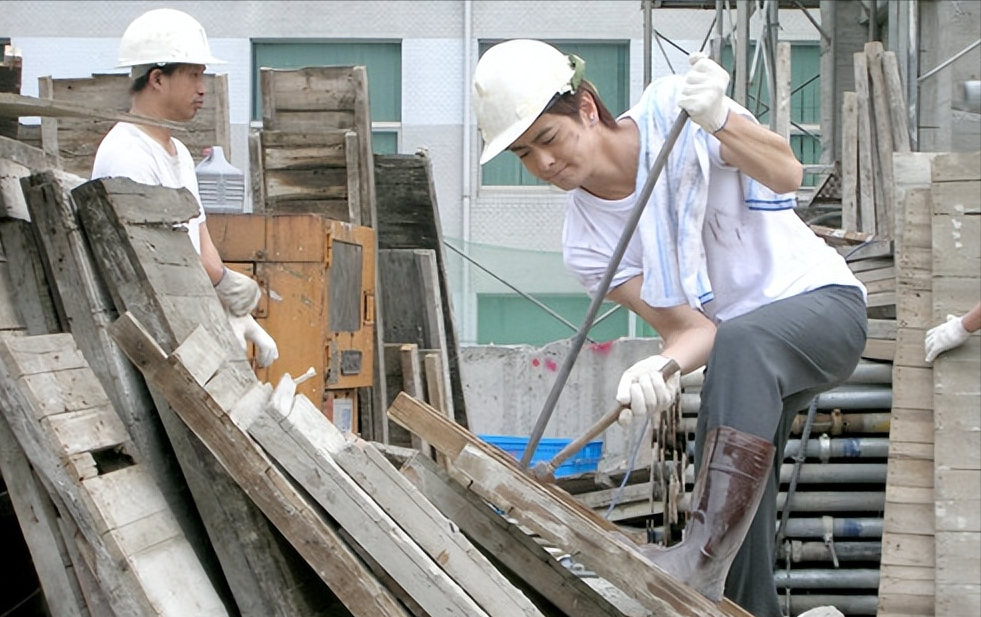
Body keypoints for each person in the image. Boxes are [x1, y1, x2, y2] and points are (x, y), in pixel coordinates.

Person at [472, 39, 868, 616]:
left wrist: (721, 118)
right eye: (526, 155)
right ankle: (744, 603)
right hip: (745, 356)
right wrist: (660, 364)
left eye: (549, 139)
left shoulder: (675, 116)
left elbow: (786, 173)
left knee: (742, 345)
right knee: (735, 491)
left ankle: (698, 559)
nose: (545, 164)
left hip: (822, 308)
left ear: (586, 106)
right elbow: (695, 330)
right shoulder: (587, 244)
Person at [92, 8, 277, 367]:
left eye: (203, 75)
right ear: (157, 78)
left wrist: (227, 293)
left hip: (184, 314)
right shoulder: (128, 155)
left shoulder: (178, 153)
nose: (202, 88)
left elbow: (198, 237)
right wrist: (220, 293)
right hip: (151, 335)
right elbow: (150, 260)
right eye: (193, 75)